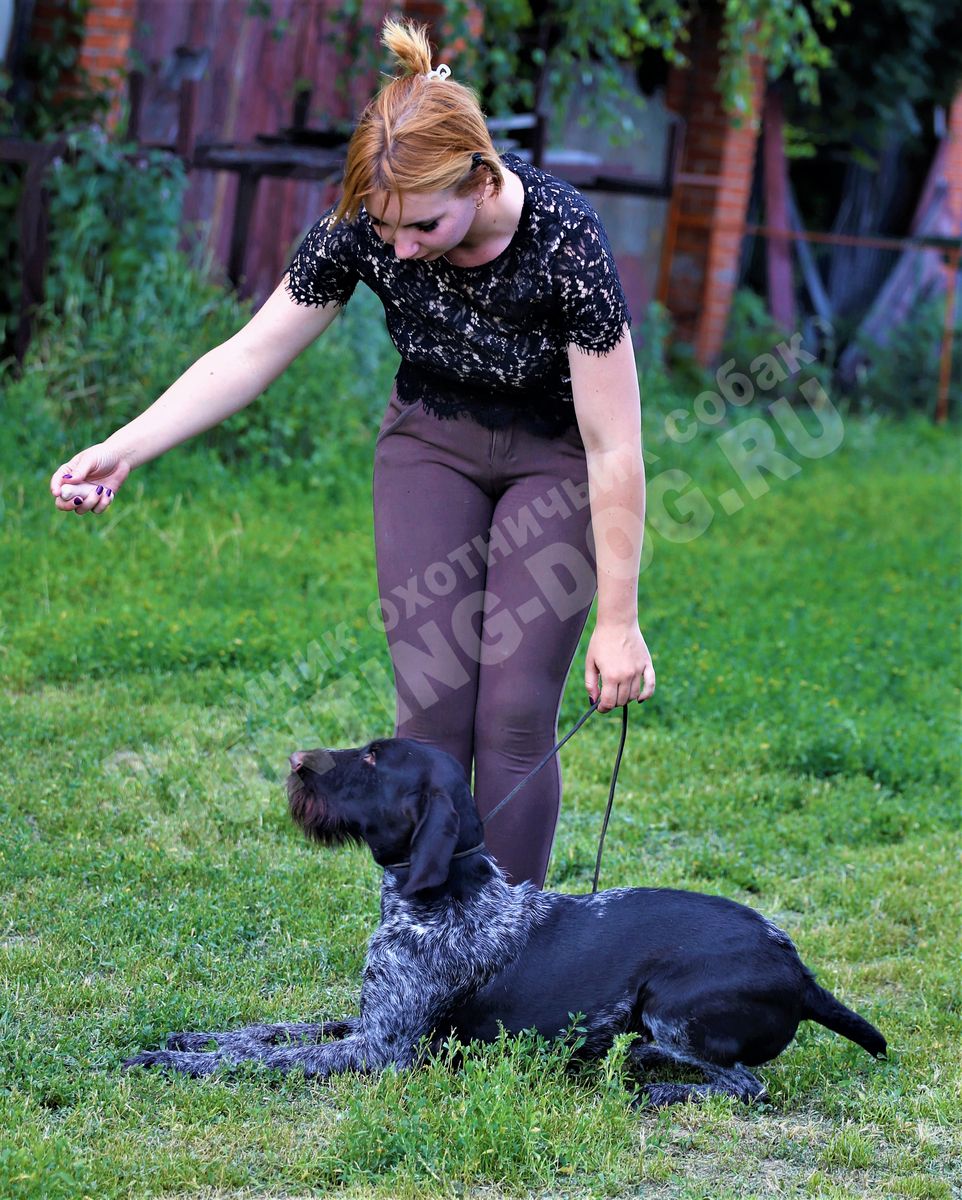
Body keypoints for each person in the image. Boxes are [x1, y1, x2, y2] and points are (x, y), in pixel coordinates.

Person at [49, 18, 655, 888]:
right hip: (430, 444)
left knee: (516, 712)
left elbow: (614, 443)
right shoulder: (367, 225)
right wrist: (125, 447)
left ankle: (508, 940)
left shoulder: (567, 240)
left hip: (554, 458)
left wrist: (620, 622)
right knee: (432, 707)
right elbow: (251, 353)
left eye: (423, 226)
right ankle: (424, 934)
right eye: (386, 226)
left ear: (482, 180)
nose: (399, 248)